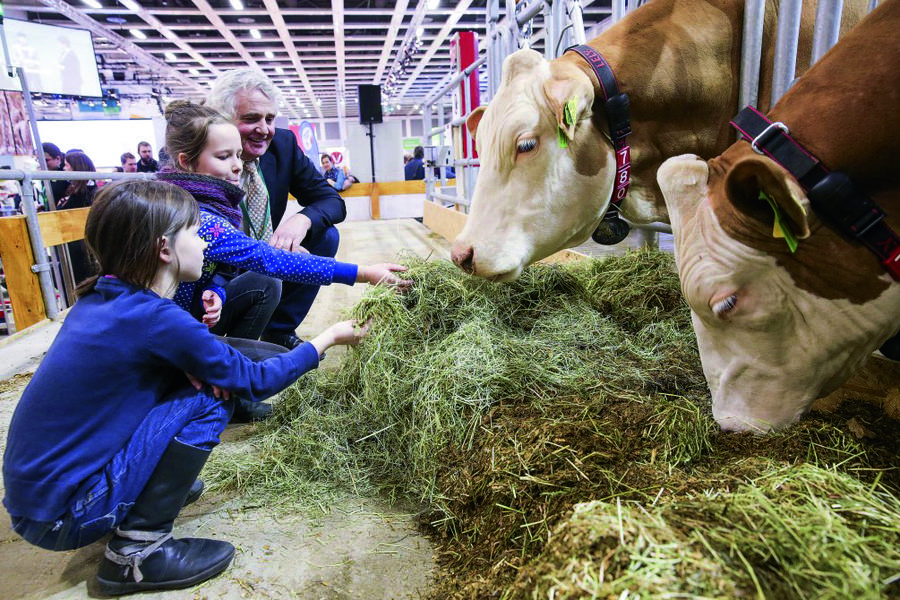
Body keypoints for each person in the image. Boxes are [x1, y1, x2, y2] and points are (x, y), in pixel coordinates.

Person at [2, 179, 370, 595]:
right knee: (210, 396)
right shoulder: (160, 319)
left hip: (35, 503)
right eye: (196, 233)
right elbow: (257, 381)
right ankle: (136, 555)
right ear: (164, 248)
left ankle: (138, 492)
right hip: (66, 515)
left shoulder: (102, 298)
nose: (204, 243)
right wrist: (328, 339)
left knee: (192, 378)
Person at [157, 100, 410, 421]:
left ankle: (219, 379)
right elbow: (267, 258)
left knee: (263, 284)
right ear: (186, 162)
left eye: (238, 155)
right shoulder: (200, 218)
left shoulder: (201, 200)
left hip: (185, 320)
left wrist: (217, 292)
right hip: (169, 337)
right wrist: (364, 273)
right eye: (223, 157)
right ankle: (198, 388)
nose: (237, 166)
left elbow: (220, 268)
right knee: (270, 363)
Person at [207, 68, 348, 350]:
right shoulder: (203, 156)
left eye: (269, 119)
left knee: (326, 235)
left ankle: (278, 330)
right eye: (250, 119)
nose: (264, 129)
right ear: (222, 121)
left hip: (266, 263)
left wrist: (302, 219)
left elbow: (332, 201)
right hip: (214, 277)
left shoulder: (282, 144)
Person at [60, 151, 98, 283]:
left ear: (75, 167)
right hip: (76, 245)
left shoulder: (85, 193)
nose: (64, 169)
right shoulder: (75, 190)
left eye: (66, 165)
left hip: (81, 247)